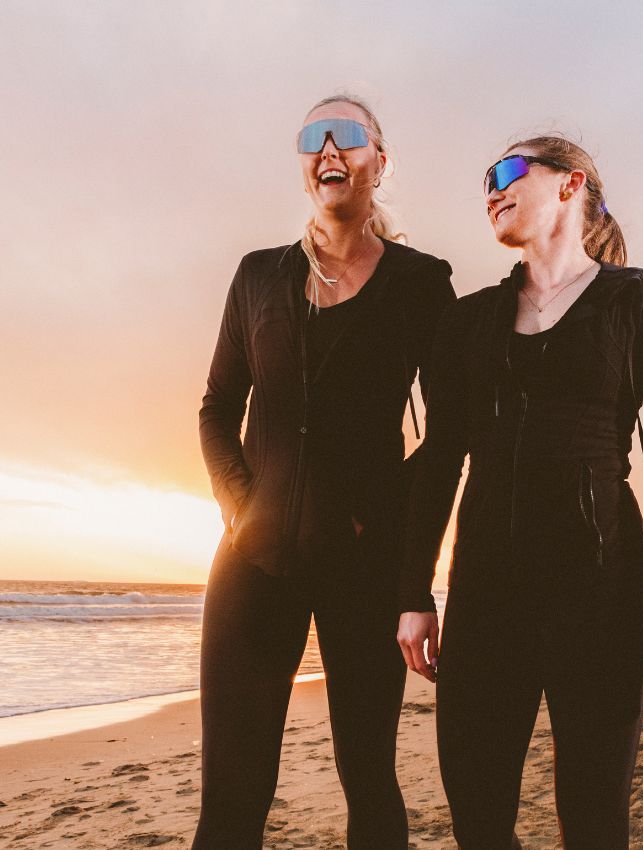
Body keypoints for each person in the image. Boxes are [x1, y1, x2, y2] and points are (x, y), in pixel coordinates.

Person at [396, 135, 643, 850]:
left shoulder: (638, 298)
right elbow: (440, 461)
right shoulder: (468, 320)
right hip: (487, 592)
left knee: (591, 814)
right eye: (484, 178)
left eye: (510, 170)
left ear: (571, 184)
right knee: (479, 815)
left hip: (602, 592)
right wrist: (413, 592)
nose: (492, 186)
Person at [192, 93, 455, 849]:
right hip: (252, 566)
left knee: (369, 778)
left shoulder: (422, 283)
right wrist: (244, 509)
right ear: (305, 163)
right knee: (233, 794)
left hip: (365, 568)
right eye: (314, 137)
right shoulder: (257, 277)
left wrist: (399, 550)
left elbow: (448, 438)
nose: (329, 149)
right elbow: (216, 409)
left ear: (380, 161)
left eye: (349, 137)